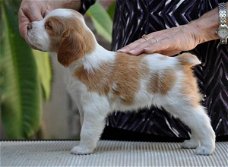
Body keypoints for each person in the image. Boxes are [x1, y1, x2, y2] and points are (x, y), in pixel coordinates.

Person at [19, 0, 228, 141]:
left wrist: (196, 31)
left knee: (187, 108)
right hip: (125, 124)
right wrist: (48, 1)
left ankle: (204, 136)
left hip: (215, 95)